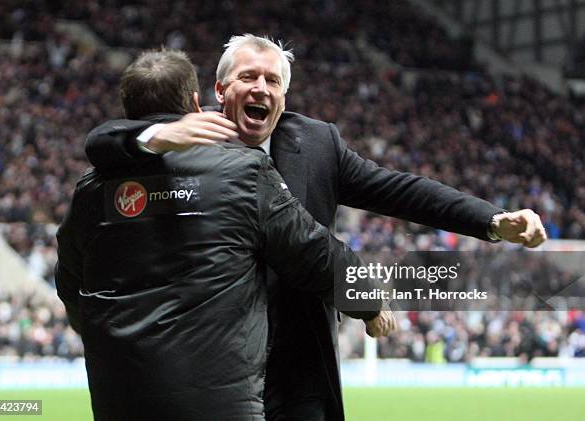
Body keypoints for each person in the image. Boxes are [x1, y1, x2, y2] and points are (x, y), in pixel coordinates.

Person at [85, 35, 547, 421]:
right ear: (220, 91)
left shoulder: (317, 143)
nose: (261, 87)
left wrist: (490, 220)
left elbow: (400, 190)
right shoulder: (187, 143)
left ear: (284, 96)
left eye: (273, 80)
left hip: (297, 370)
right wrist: (153, 138)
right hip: (212, 367)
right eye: (248, 77)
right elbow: (105, 142)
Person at [56, 49, 394, 421]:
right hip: (219, 402)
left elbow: (71, 285)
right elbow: (314, 253)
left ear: (128, 113)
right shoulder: (241, 172)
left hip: (118, 402)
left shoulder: (91, 191)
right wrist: (370, 301)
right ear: (197, 104)